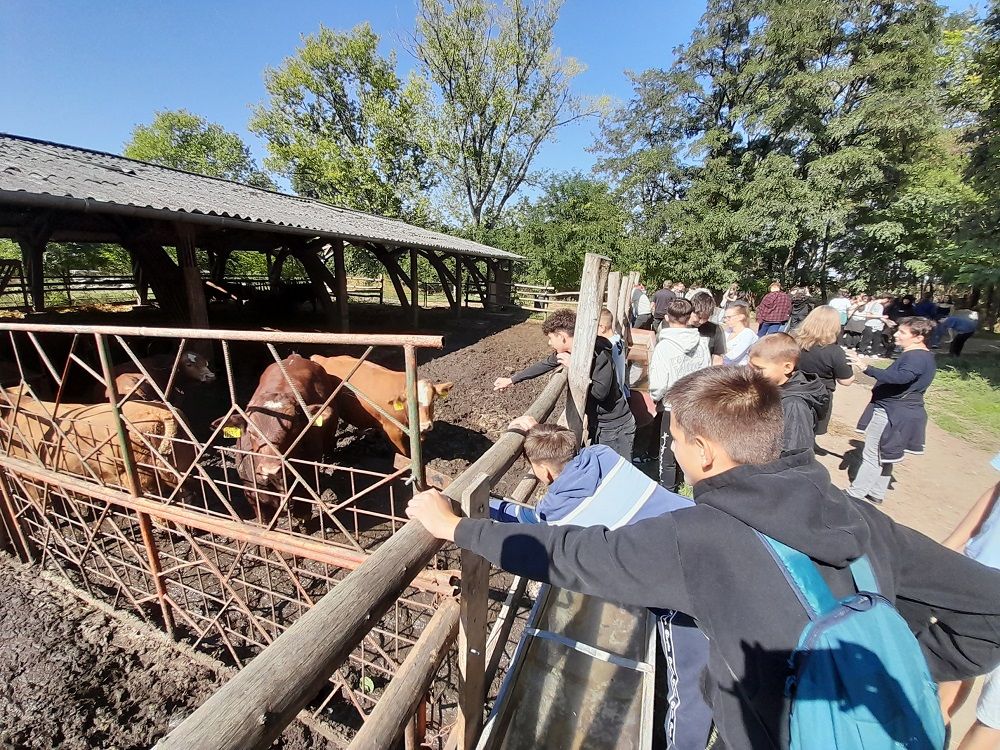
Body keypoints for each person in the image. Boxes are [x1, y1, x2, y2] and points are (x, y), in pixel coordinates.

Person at [407, 366, 1000, 750]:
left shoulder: (697, 539)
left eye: (674, 440)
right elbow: (989, 614)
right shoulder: (858, 516)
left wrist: (456, 526)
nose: (670, 449)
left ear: (706, 452)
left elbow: (571, 554)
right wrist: (891, 666)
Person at [489, 416, 715, 749]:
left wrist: (488, 506)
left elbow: (531, 525)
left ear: (545, 473)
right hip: (705, 534)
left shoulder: (559, 512)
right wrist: (540, 432)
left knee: (688, 691)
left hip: (683, 587)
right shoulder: (605, 457)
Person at [493, 309, 635, 459]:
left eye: (550, 338)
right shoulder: (570, 352)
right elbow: (544, 364)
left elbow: (600, 393)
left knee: (614, 472)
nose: (549, 343)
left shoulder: (599, 354)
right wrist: (512, 380)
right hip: (599, 424)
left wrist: (574, 367)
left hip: (615, 427)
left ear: (561, 337)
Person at [940, 455, 1000, 750]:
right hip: (982, 580)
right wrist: (949, 548)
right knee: (947, 682)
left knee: (994, 719)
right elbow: (997, 490)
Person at [845, 316, 937, 505]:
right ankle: (877, 492)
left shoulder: (916, 357)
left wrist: (866, 368)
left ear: (919, 337)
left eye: (902, 332)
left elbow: (900, 378)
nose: (896, 335)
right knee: (884, 455)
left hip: (893, 412)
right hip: (902, 411)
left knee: (872, 455)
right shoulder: (923, 356)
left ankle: (855, 494)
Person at [649, 298, 711, 491]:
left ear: (667, 317)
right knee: (689, 443)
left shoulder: (664, 347)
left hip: (673, 405)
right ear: (689, 316)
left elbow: (659, 382)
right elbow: (706, 371)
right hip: (694, 402)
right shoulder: (701, 343)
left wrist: (656, 396)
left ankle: (667, 487)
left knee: (668, 447)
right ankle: (686, 479)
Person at [748, 333, 829, 453]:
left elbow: (794, 453)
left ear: (787, 367)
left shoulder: (794, 405)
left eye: (759, 369)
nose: (752, 373)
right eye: (750, 367)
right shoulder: (771, 387)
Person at [793, 306, 855, 435]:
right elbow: (846, 381)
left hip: (794, 389)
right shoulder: (835, 352)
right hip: (818, 396)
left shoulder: (794, 343)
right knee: (810, 431)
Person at [597, 307, 628, 399]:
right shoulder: (618, 339)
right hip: (621, 392)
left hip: (614, 396)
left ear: (602, 327)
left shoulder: (607, 348)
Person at [690, 291, 725, 366]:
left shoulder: (716, 330)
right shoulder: (678, 327)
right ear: (691, 311)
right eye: (699, 317)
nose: (701, 322)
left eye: (705, 318)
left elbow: (717, 359)